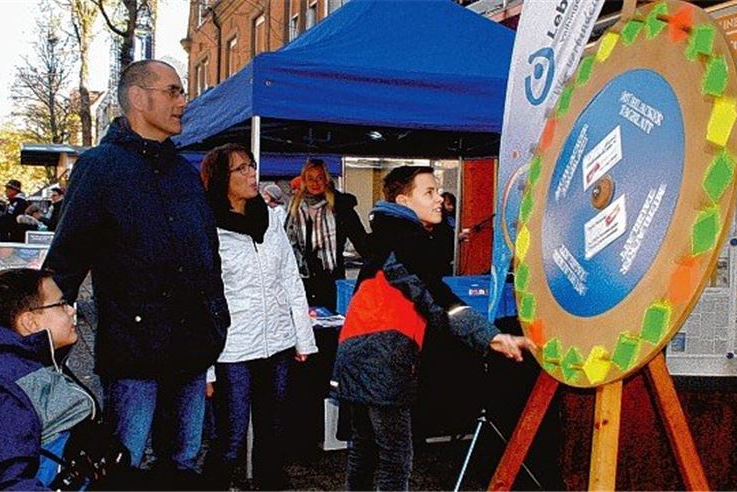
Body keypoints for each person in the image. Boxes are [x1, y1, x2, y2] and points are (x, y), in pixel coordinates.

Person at [43, 59, 230, 486]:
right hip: (135, 354)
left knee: (183, 463)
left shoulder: (184, 173)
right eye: (174, 91)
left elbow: (208, 256)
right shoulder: (101, 167)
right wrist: (41, 335)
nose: (184, 101)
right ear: (138, 98)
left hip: (192, 348)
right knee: (122, 463)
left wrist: (217, 322)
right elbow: (67, 259)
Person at [332, 166, 536, 491]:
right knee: (395, 458)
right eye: (429, 192)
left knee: (365, 447)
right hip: (383, 357)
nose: (440, 199)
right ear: (403, 200)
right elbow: (438, 300)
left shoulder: (386, 236)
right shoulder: (409, 239)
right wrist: (491, 336)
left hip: (354, 353)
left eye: (438, 191)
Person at [199, 144, 317, 490]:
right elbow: (203, 301)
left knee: (273, 435)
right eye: (241, 169)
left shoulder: (272, 219)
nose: (253, 174)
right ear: (222, 178)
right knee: (230, 440)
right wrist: (205, 368)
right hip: (233, 351)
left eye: (252, 166)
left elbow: (290, 280)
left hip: (277, 345)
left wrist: (302, 338)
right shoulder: (206, 228)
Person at [0, 268, 121, 490]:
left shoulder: (32, 360)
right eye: (61, 303)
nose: (71, 311)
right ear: (30, 322)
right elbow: (9, 483)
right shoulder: (0, 389)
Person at [285, 159, 370, 310]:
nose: (315, 183)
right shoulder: (295, 206)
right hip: (301, 280)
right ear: (304, 181)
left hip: (330, 280)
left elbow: (361, 241)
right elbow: (286, 242)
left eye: (320, 178)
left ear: (326, 179)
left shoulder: (341, 207)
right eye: (310, 178)